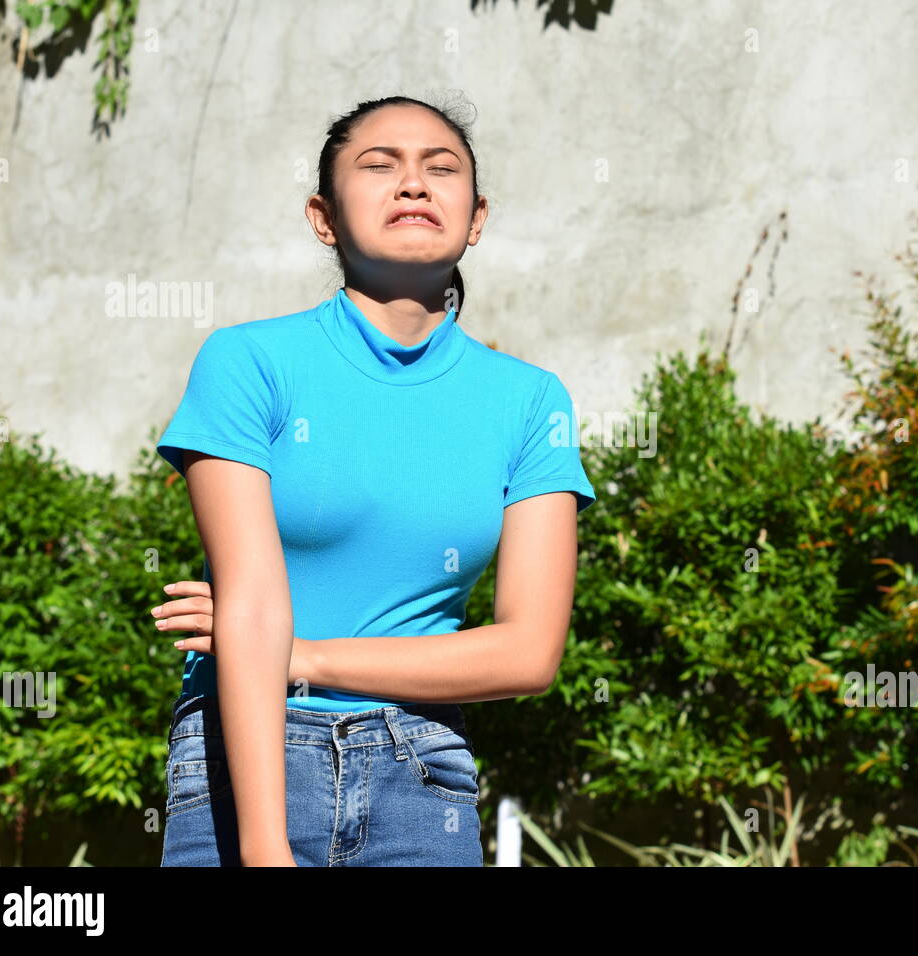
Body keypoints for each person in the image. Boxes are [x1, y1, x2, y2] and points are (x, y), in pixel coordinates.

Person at [152, 95, 596, 867]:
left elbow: (528, 652)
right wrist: (264, 851)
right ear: (323, 217)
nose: (414, 184)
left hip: (420, 766)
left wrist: (305, 654)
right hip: (246, 753)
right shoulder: (249, 362)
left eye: (441, 167)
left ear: (477, 216)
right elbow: (252, 598)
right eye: (380, 166)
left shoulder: (529, 401)